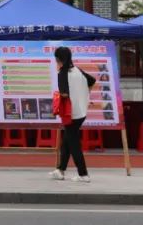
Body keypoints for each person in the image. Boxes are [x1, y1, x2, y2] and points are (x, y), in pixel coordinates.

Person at [50, 46, 97, 183]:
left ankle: (83, 174)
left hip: (71, 114)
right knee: (67, 140)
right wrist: (84, 95)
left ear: (59, 59)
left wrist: (57, 98)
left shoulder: (62, 73)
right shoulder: (77, 70)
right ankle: (60, 170)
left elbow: (64, 93)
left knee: (74, 144)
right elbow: (92, 81)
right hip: (81, 112)